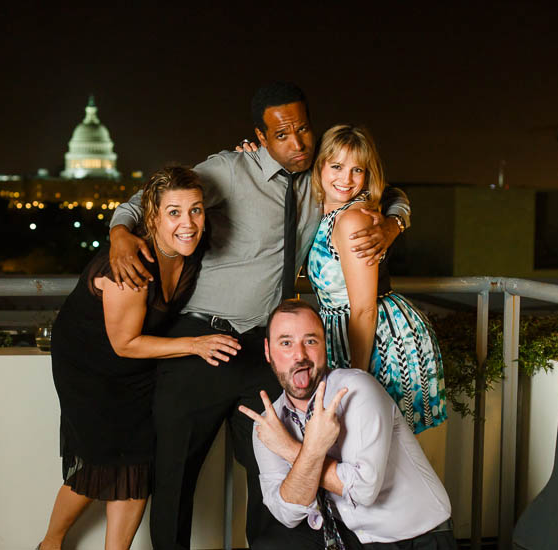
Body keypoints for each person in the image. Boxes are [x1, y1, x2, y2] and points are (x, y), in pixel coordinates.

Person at [108, 82, 411, 549]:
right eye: (282, 134)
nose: (297, 143)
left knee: (282, 470)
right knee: (174, 475)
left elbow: (386, 193)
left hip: (264, 351)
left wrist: (391, 223)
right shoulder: (228, 169)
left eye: (304, 129)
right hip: (200, 342)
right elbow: (146, 199)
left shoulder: (322, 179)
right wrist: (119, 235)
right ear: (260, 135)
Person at [38, 166, 241, 550]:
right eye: (175, 212)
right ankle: (50, 543)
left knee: (137, 464)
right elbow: (124, 344)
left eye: (196, 210)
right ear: (152, 217)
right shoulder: (128, 269)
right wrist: (196, 344)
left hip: (138, 366)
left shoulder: (192, 244)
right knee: (101, 463)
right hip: (91, 366)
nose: (189, 223)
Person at [240, 299, 456, 550]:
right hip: (351, 538)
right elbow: (287, 514)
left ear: (325, 347)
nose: (299, 355)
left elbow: (364, 491)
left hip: (416, 537)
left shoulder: (358, 389)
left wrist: (291, 449)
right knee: (272, 546)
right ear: (268, 351)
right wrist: (307, 451)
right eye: (286, 343)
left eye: (310, 341)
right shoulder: (270, 425)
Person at [307, 124, 446, 434]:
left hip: (376, 341)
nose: (345, 179)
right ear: (320, 166)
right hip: (346, 334)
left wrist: (356, 379)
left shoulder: (353, 219)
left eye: (357, 169)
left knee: (379, 453)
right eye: (337, 166)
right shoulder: (325, 212)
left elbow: (364, 310)